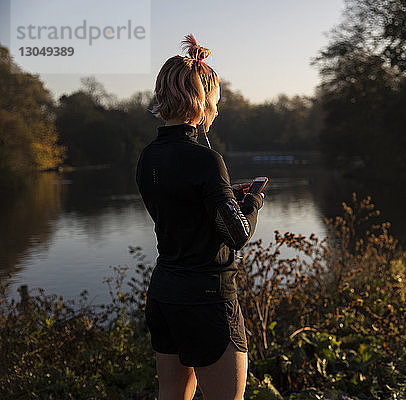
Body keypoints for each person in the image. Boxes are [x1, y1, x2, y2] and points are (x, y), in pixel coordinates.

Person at [136, 34, 264, 400]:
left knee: (172, 395)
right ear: (203, 100)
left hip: (164, 292)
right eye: (217, 103)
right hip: (207, 298)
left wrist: (221, 197)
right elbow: (237, 234)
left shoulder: (148, 156)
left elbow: (180, 210)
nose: (218, 111)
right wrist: (252, 200)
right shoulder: (206, 159)